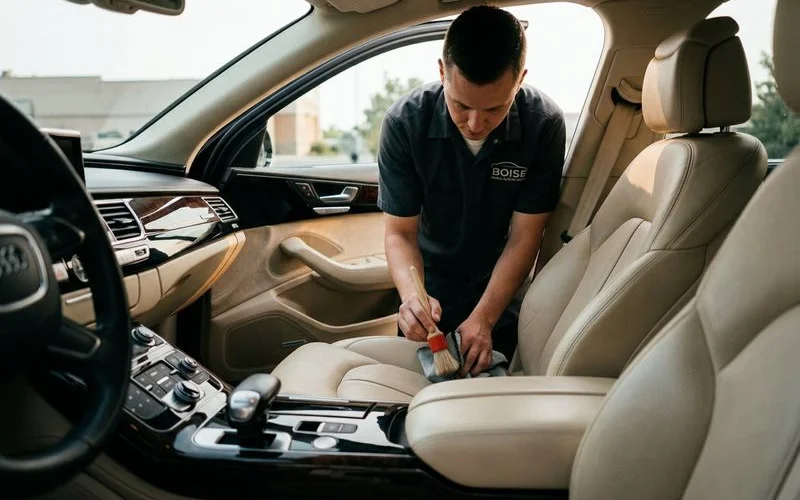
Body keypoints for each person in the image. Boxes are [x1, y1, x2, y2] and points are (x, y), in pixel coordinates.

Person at [377, 5, 566, 376]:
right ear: (442, 72)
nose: (476, 124)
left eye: (495, 109)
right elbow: (399, 233)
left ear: (521, 79)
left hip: (502, 296)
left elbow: (526, 238)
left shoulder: (544, 125)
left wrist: (484, 320)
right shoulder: (404, 124)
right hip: (430, 293)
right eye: (461, 106)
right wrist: (412, 297)